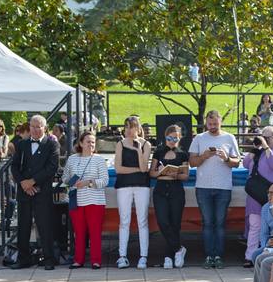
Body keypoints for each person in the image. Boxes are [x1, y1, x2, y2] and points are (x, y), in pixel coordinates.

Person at [189, 110, 241, 268]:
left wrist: (226, 158)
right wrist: (203, 156)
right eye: (210, 124)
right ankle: (208, 255)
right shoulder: (199, 138)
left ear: (220, 122)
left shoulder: (229, 137)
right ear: (206, 123)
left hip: (223, 187)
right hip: (203, 187)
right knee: (207, 223)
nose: (212, 127)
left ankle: (218, 255)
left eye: (215, 124)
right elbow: (192, 162)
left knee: (219, 223)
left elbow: (237, 162)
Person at [10, 114, 60, 270]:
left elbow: (51, 168)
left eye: (39, 127)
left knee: (44, 225)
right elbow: (15, 166)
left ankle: (49, 258)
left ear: (45, 128)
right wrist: (24, 183)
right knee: (23, 225)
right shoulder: (22, 144)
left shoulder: (52, 145)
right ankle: (23, 258)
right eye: (33, 126)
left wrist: (32, 182)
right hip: (24, 191)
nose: (36, 130)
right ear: (29, 127)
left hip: (42, 191)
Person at [63, 131, 111, 269]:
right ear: (81, 143)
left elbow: (104, 181)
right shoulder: (72, 159)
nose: (91, 144)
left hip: (95, 201)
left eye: (93, 142)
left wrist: (88, 182)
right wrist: (72, 181)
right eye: (88, 141)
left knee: (95, 232)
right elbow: (64, 177)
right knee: (79, 232)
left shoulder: (99, 160)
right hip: (76, 200)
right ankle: (78, 260)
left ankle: (96, 261)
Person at [242, 126, 273, 266]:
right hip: (255, 194)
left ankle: (268, 253)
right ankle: (250, 256)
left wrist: (267, 148)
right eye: (264, 137)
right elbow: (245, 164)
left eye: (269, 137)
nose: (266, 139)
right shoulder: (258, 152)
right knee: (255, 225)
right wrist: (254, 149)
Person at [113, 115, 152, 269]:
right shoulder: (120, 144)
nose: (129, 130)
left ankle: (143, 256)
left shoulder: (146, 144)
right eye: (127, 127)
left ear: (138, 128)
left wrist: (137, 151)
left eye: (132, 127)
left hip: (142, 185)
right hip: (124, 186)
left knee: (142, 220)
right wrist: (136, 169)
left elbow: (144, 168)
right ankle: (122, 256)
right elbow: (118, 168)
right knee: (124, 221)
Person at [150, 125, 189, 269]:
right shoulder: (159, 152)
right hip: (160, 190)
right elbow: (151, 173)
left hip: (176, 190)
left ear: (179, 138)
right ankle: (179, 249)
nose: (172, 141)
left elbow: (186, 175)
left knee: (175, 224)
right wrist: (160, 171)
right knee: (163, 222)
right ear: (165, 137)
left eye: (175, 138)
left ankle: (169, 256)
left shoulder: (183, 154)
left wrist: (176, 174)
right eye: (169, 138)